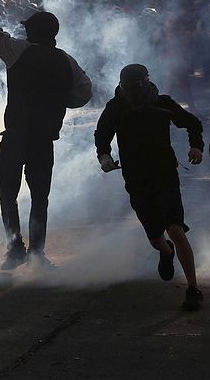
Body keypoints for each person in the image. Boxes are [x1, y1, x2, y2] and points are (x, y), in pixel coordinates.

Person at [0, 0, 93, 269]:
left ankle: (15, 249)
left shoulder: (18, 51)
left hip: (16, 136)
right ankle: (37, 255)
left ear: (33, 32)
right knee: (40, 197)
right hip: (44, 139)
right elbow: (84, 93)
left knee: (7, 193)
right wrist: (56, 101)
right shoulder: (66, 61)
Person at [94, 64, 203, 310]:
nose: (133, 91)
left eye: (137, 85)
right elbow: (102, 136)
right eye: (128, 87)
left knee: (175, 227)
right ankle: (166, 252)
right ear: (121, 87)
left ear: (147, 82)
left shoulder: (163, 104)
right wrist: (104, 157)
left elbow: (192, 123)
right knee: (155, 236)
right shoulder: (116, 108)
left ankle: (193, 288)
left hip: (165, 174)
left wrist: (196, 146)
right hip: (136, 178)